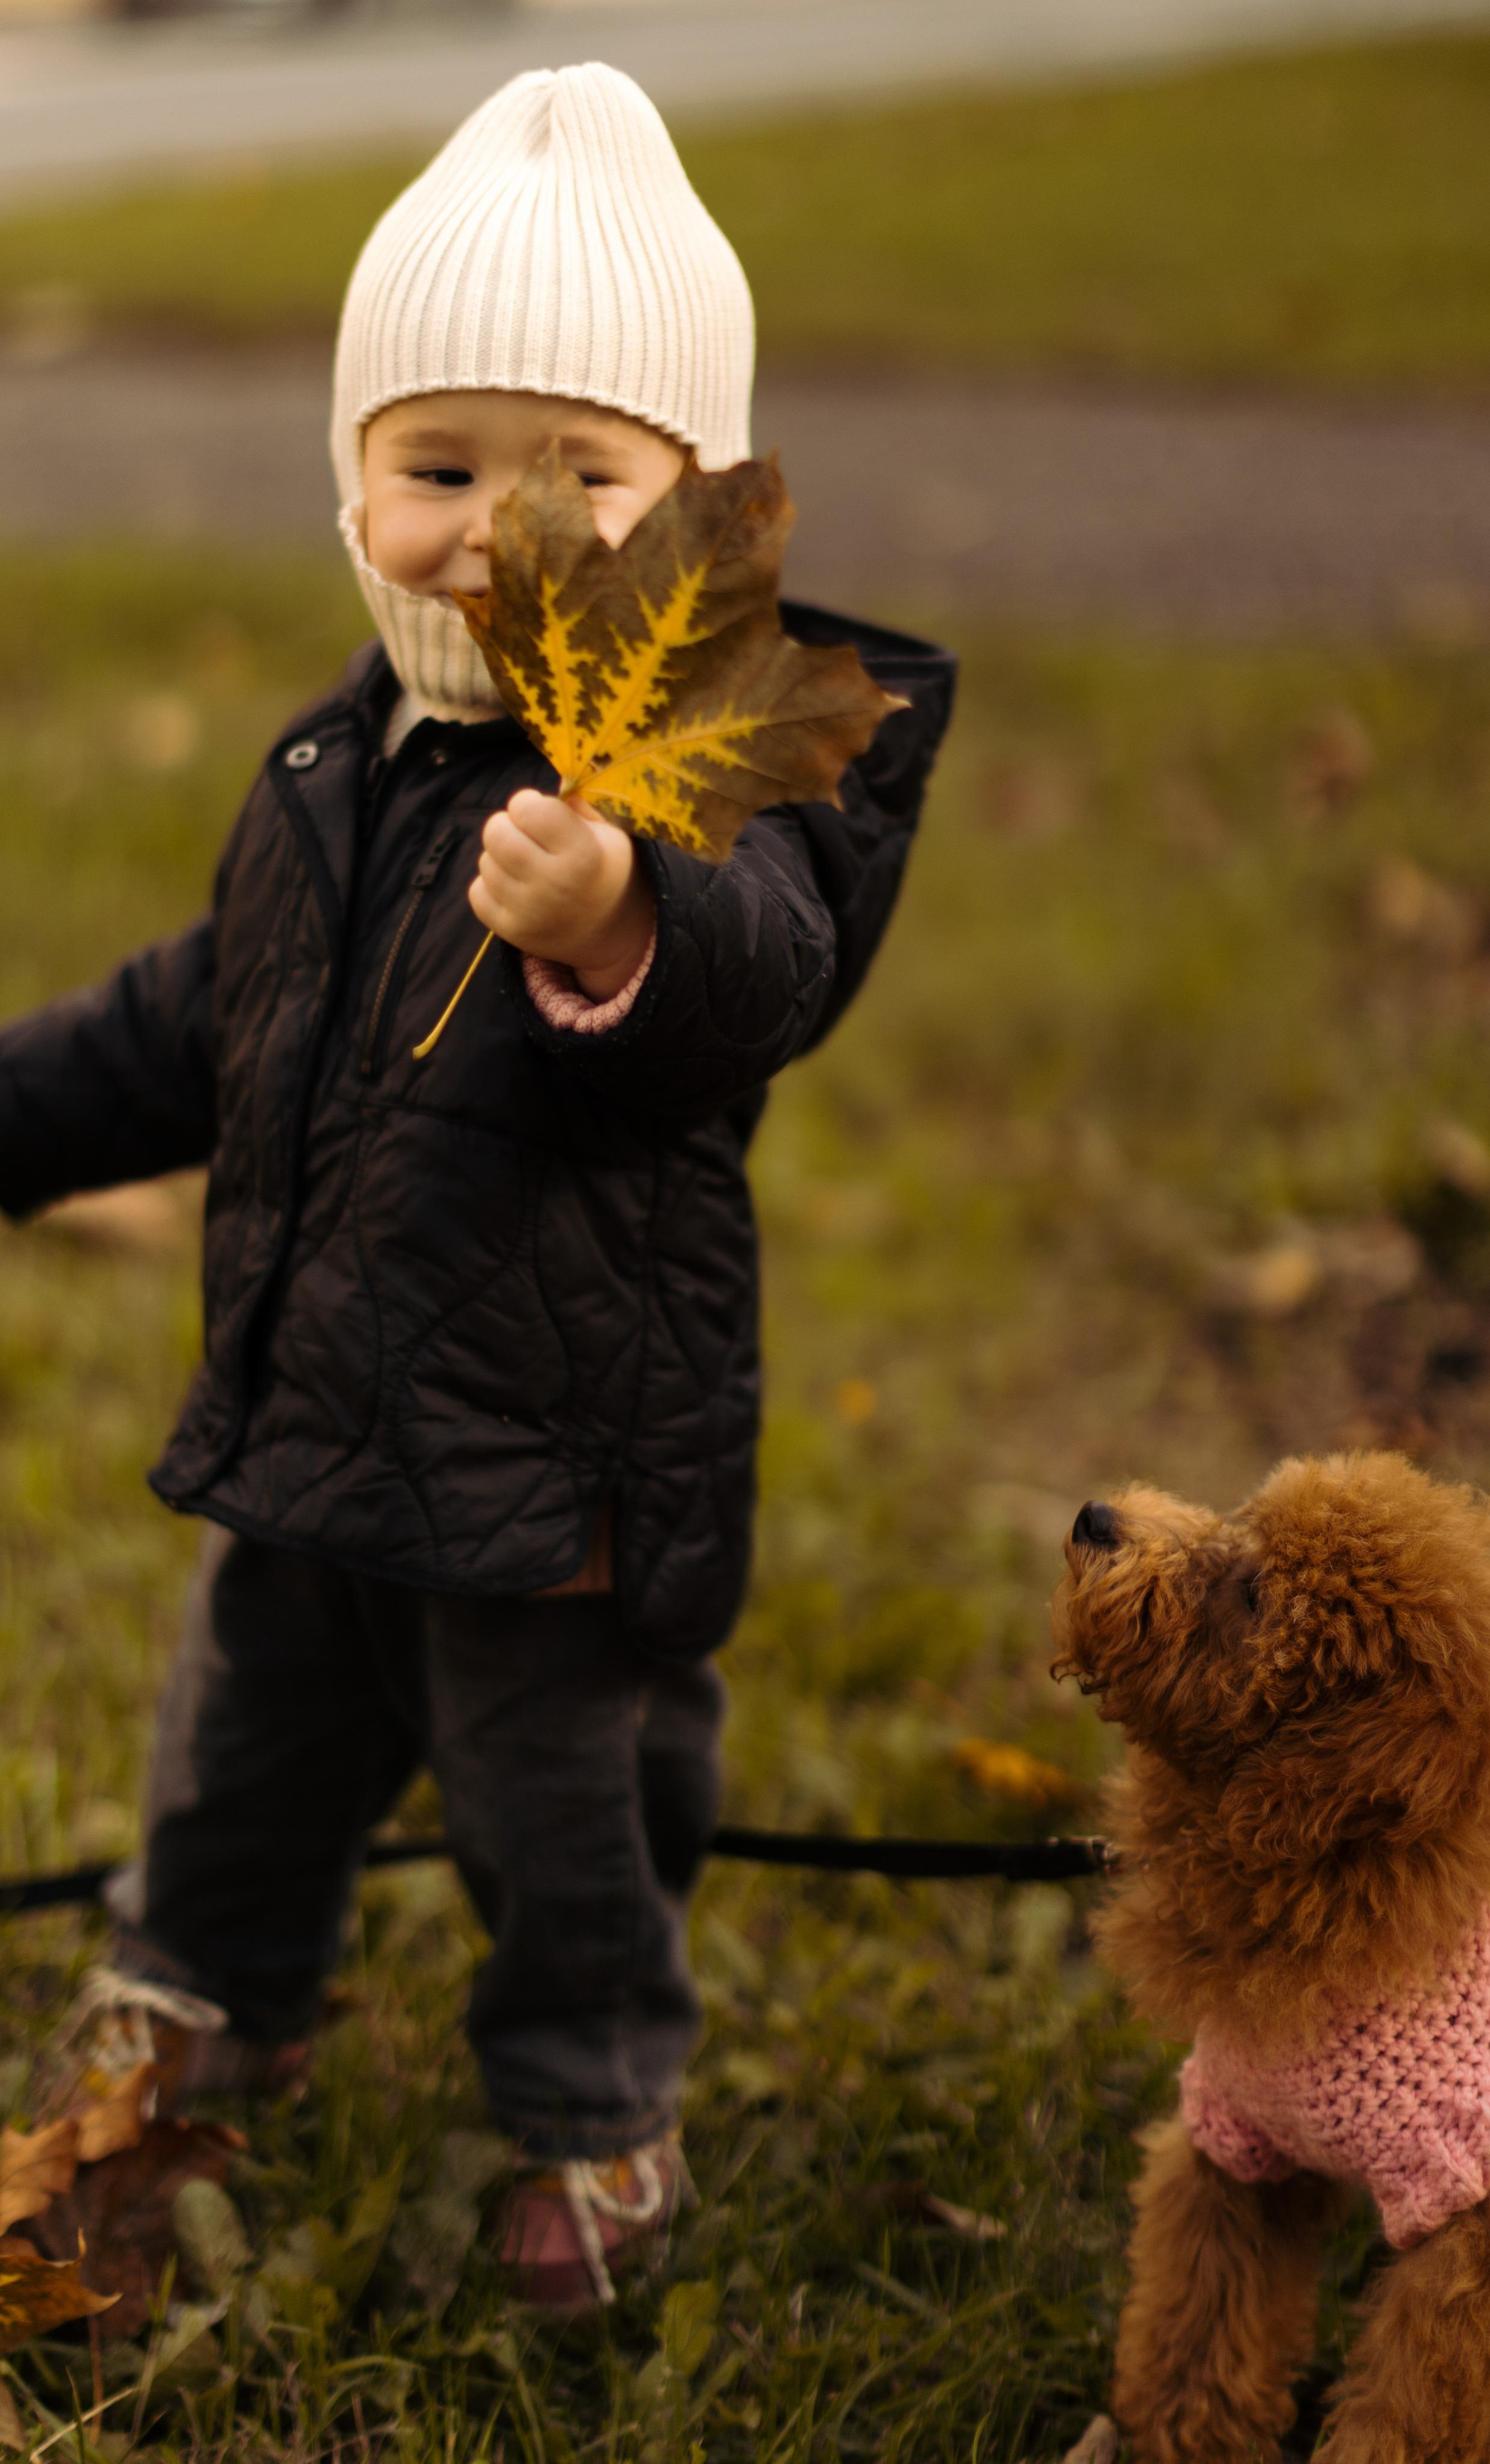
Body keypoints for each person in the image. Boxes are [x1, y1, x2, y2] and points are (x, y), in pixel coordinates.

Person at [0, 65, 955, 2315]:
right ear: (350, 487)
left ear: (700, 512)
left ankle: (600, 2113)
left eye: (582, 480)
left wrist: (621, 914)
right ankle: (209, 1997)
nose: (497, 535)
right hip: (313, 1422)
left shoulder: (683, 774)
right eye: (437, 469)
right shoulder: (336, 765)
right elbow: (199, 1017)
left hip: (557, 1467)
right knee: (244, 1744)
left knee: (568, 1817)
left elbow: (769, 978)